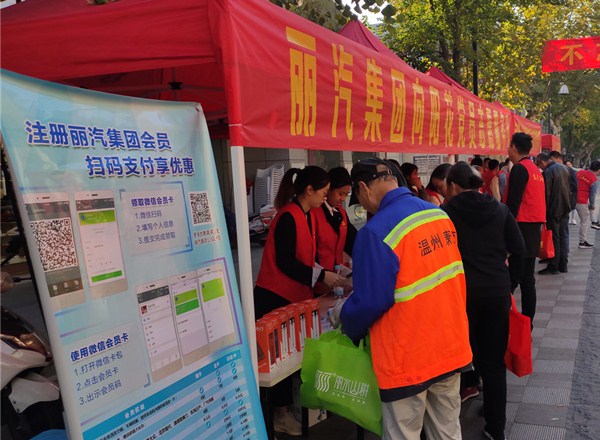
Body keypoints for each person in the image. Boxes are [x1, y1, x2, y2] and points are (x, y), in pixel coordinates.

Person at [340, 158, 472, 440]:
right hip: (449, 345)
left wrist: (344, 319)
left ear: (363, 188)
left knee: (403, 434)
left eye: (358, 199)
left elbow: (370, 301)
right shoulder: (438, 215)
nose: (363, 206)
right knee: (448, 431)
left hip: (406, 357)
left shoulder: (375, 232)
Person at [254, 165, 345, 436]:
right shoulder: (288, 216)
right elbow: (286, 261)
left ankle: (288, 411)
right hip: (273, 298)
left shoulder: (306, 215)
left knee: (289, 359)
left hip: (293, 298)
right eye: (324, 192)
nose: (326, 197)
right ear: (309, 190)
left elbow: (305, 257)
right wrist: (321, 275)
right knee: (276, 363)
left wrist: (327, 273)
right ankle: (278, 415)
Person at [443, 162, 525, 440]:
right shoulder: (499, 209)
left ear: (453, 186)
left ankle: (447, 426)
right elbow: (519, 249)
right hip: (496, 292)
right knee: (494, 361)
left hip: (461, 295)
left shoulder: (445, 214)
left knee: (457, 358)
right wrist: (510, 283)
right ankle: (495, 427)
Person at [504, 132, 546, 324]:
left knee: (512, 279)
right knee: (527, 280)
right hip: (533, 229)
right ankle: (527, 323)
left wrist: (504, 231)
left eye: (509, 146)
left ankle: (501, 320)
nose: (508, 149)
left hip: (521, 228)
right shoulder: (535, 169)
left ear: (514, 147)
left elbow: (513, 204)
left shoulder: (520, 169)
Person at [313, 167, 357, 271]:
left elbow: (352, 241)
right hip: (319, 274)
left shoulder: (341, 213)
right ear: (328, 189)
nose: (343, 199)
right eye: (340, 194)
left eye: (346, 194)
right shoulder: (314, 213)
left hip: (337, 274)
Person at [536, 153, 571, 274]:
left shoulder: (548, 172)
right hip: (565, 206)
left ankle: (553, 265)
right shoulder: (564, 168)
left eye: (539, 165)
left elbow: (546, 193)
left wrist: (544, 211)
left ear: (542, 162)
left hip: (554, 208)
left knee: (554, 237)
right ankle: (563, 264)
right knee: (562, 236)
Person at [575, 160, 600, 249]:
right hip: (581, 201)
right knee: (584, 221)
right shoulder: (594, 180)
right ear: (598, 170)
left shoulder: (579, 172)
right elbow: (592, 195)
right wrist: (592, 205)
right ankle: (582, 242)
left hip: (571, 198)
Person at [564, 160, 579, 225]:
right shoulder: (564, 171)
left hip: (572, 191)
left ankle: (573, 219)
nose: (569, 166)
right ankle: (569, 219)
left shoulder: (573, 171)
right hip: (567, 191)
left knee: (573, 206)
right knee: (568, 206)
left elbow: (575, 183)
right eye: (567, 164)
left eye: (570, 164)